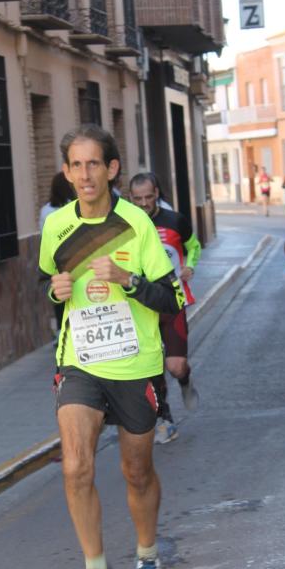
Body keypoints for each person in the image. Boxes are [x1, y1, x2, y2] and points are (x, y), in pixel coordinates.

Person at [39, 124, 185, 569]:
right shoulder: (56, 226)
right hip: (79, 361)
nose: (84, 174)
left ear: (112, 169)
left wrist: (128, 280)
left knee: (136, 471)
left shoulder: (137, 226)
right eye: (75, 165)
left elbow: (173, 299)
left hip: (134, 365)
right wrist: (54, 292)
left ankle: (147, 559)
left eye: (93, 164)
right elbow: (50, 290)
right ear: (66, 172)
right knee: (75, 466)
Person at [129, 172, 201, 443]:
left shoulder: (174, 220)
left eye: (149, 197)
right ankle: (164, 417)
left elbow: (194, 246)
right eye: (138, 199)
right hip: (142, 306)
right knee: (151, 368)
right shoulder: (126, 227)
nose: (144, 203)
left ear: (157, 193)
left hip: (173, 302)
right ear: (131, 198)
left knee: (176, 366)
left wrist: (190, 265)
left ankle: (185, 381)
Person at [40, 172, 75, 336]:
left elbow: (44, 236)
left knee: (58, 294)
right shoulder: (73, 207)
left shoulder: (45, 211)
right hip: (74, 257)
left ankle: (62, 331)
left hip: (55, 259)